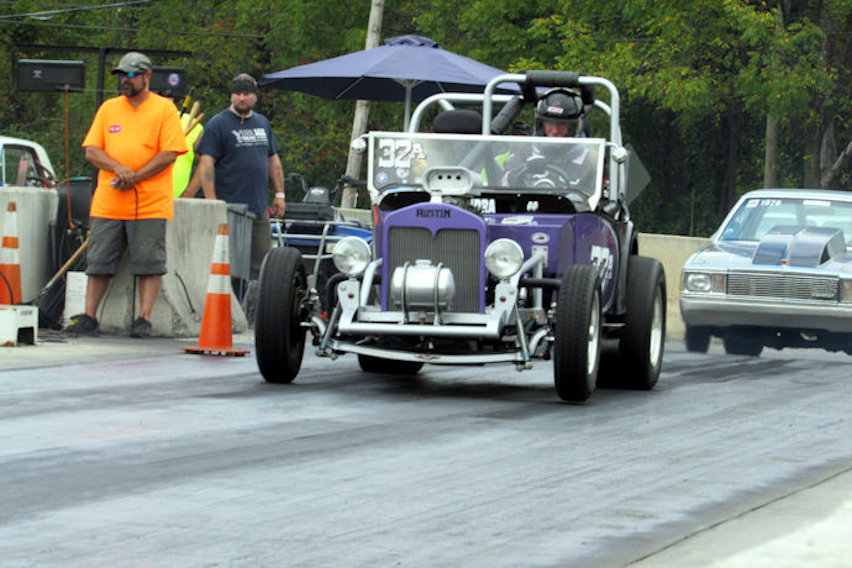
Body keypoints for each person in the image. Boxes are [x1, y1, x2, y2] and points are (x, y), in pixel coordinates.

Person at [64, 51, 188, 338]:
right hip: (109, 201)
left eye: (131, 75)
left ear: (147, 76)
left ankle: (143, 318)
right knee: (98, 261)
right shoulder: (109, 108)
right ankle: (89, 316)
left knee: (149, 262)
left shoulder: (164, 109)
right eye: (122, 75)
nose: (125, 80)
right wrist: (119, 169)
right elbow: (92, 150)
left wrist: (135, 176)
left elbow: (169, 153)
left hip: (150, 202)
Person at [195, 73, 285, 286]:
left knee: (262, 265)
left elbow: (273, 160)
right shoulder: (218, 124)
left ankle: (255, 303)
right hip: (229, 208)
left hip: (259, 207)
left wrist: (279, 194)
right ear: (231, 96)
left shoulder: (262, 123)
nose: (242, 98)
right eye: (237, 94)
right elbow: (206, 163)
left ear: (255, 97)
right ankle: (229, 303)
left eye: (246, 94)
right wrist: (211, 201)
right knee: (230, 264)